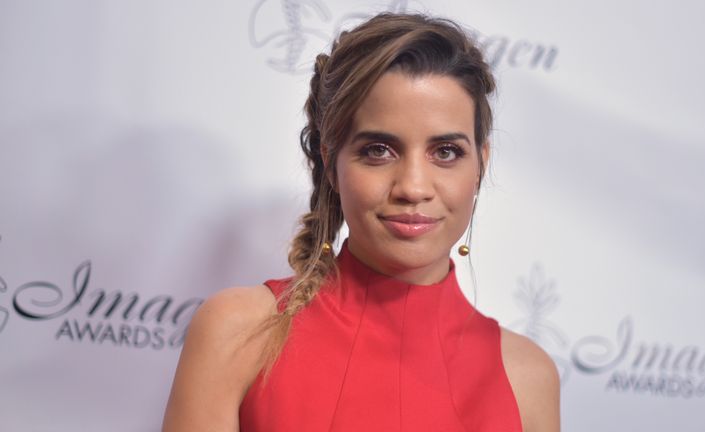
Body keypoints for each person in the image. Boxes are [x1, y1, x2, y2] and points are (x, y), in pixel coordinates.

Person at [163, 12, 560, 432]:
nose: (412, 186)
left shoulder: (527, 378)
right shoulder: (239, 331)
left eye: (445, 152)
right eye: (378, 150)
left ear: (481, 163)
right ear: (329, 162)